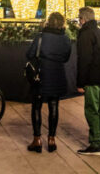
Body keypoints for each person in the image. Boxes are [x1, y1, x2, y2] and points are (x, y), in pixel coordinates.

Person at [26, 12, 71, 153]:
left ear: (48, 22)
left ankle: (37, 140)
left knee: (37, 106)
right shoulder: (66, 39)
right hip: (57, 74)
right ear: (62, 24)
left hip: (41, 75)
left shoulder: (40, 37)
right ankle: (51, 140)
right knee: (54, 105)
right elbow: (66, 57)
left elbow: (29, 54)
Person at [76, 7, 100, 156]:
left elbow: (84, 60)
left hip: (92, 79)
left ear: (82, 19)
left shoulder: (85, 34)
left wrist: (80, 82)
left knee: (92, 110)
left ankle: (95, 144)